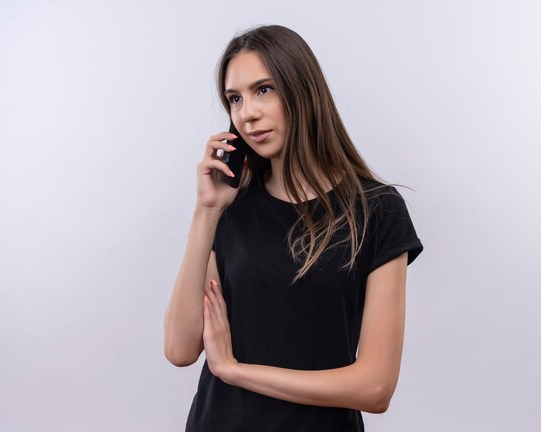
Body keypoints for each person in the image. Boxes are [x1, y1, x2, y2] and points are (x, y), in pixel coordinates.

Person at [164, 24, 424, 432]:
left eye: (263, 89)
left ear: (301, 91)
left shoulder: (378, 211)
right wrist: (206, 210)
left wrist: (235, 371)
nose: (246, 112)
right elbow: (180, 348)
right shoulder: (231, 210)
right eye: (235, 98)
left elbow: (375, 387)